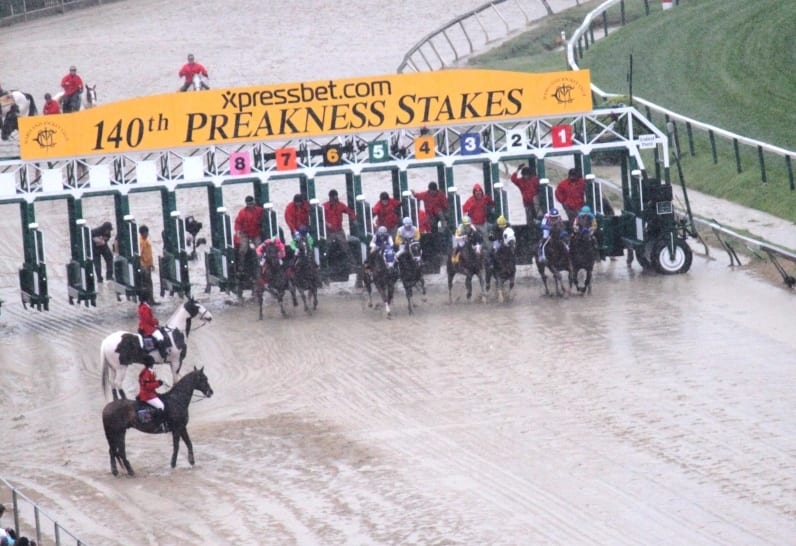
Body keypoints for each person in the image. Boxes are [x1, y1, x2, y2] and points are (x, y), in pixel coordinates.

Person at [322, 188, 356, 264]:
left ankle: (352, 262)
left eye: (336, 198)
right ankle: (323, 264)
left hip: (339, 230)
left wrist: (354, 219)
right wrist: (326, 223)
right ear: (330, 197)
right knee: (326, 247)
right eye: (334, 198)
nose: (335, 200)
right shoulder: (324, 206)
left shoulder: (340, 205)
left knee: (345, 246)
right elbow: (319, 218)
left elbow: (349, 212)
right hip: (329, 232)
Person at [137, 359, 167, 432]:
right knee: (161, 406)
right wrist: (158, 383)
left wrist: (157, 383)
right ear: (151, 364)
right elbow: (147, 386)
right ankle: (158, 425)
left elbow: (151, 383)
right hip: (147, 395)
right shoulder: (147, 372)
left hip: (151, 393)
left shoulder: (148, 371)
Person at [234, 195, 264, 265]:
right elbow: (238, 223)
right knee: (243, 249)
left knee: (259, 248)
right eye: (249, 204)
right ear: (246, 204)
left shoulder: (260, 210)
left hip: (256, 233)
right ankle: (241, 266)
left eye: (252, 203)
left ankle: (260, 264)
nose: (251, 205)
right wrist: (238, 231)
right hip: (245, 234)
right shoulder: (242, 212)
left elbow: (264, 219)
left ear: (254, 202)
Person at [138, 292, 167, 359]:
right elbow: (148, 319)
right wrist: (155, 322)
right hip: (147, 327)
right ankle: (163, 354)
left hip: (144, 325)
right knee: (160, 337)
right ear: (147, 299)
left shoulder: (141, 306)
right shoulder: (145, 308)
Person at [138, 225, 156, 305]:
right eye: (146, 232)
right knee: (147, 284)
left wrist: (151, 264)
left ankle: (151, 299)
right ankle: (149, 300)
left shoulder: (146, 241)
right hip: (145, 267)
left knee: (149, 283)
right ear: (143, 233)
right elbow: (140, 256)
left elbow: (149, 254)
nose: (147, 234)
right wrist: (143, 267)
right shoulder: (141, 242)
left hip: (148, 265)